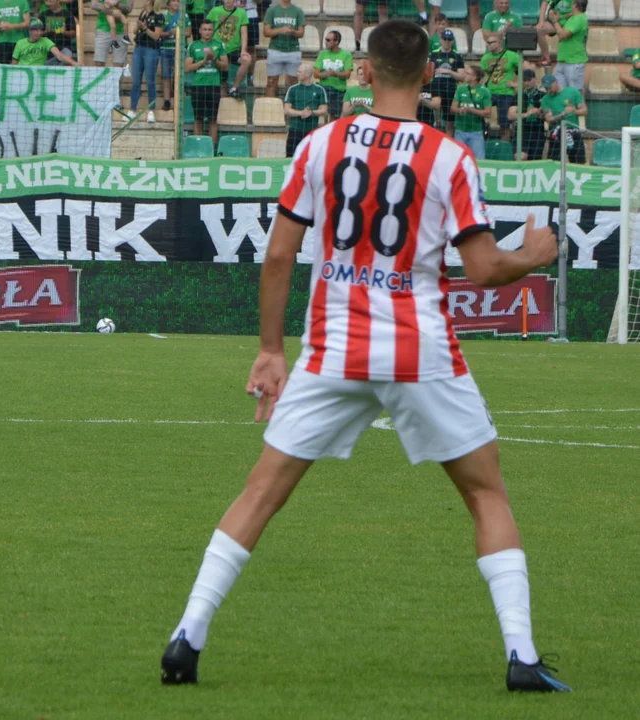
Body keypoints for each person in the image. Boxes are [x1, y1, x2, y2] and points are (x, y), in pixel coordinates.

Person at [159, 19, 570, 695]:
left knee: (260, 492)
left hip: (335, 350)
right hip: (420, 352)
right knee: (486, 493)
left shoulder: (321, 144)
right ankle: (521, 654)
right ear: (431, 72)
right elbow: (486, 266)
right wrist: (536, 254)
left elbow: (281, 255)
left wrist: (269, 350)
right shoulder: (449, 158)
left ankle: (188, 636)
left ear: (366, 71)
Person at [186, 20, 227, 146]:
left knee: (212, 119)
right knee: (198, 119)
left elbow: (225, 66)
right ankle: (198, 147)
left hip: (213, 86)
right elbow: (187, 68)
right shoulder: (193, 46)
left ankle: (211, 148)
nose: (207, 32)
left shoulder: (219, 45)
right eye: (205, 29)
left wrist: (214, 60)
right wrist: (204, 61)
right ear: (200, 31)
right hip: (197, 86)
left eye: (210, 29)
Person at [480, 33, 520, 144]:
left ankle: (505, 146)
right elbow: (483, 76)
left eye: (492, 42)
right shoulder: (485, 58)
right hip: (490, 92)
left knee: (504, 123)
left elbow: (527, 68)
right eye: (487, 43)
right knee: (478, 112)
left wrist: (516, 84)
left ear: (498, 42)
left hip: (506, 93)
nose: (489, 45)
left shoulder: (511, 55)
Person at [206, 0, 250, 98]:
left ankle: (234, 87)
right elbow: (207, 28)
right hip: (219, 49)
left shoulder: (241, 12)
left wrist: (243, 50)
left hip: (234, 49)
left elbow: (244, 33)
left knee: (246, 60)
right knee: (222, 83)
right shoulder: (215, 11)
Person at [262, 0, 303, 98]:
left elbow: (301, 33)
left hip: (293, 50)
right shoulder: (271, 10)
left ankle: (294, 109)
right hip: (275, 50)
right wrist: (280, 30)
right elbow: (266, 32)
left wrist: (292, 31)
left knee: (294, 83)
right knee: (271, 82)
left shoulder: (298, 11)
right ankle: (270, 108)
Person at [282, 62, 326, 157]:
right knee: (290, 158)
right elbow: (286, 110)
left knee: (311, 158)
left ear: (308, 74)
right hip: (295, 130)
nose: (297, 74)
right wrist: (301, 113)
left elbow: (324, 110)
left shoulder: (319, 90)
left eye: (300, 72)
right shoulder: (292, 89)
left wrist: (312, 112)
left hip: (312, 131)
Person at [130, 4, 164, 122]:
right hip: (139, 47)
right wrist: (138, 26)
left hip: (151, 49)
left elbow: (156, 36)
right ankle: (132, 109)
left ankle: (151, 110)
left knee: (150, 81)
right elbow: (134, 31)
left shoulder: (159, 16)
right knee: (135, 81)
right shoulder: (143, 13)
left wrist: (144, 28)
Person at [542, 73, 586, 164]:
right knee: (554, 162)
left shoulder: (572, 92)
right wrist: (563, 114)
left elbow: (584, 110)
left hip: (573, 130)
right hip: (556, 131)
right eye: (546, 89)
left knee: (578, 161)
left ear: (555, 83)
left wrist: (574, 111)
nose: (548, 91)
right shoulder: (545, 99)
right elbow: (549, 119)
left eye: (550, 87)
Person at [429, 28, 465, 136]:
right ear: (441, 40)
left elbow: (462, 77)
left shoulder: (457, 55)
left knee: (450, 121)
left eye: (449, 40)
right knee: (436, 119)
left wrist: (448, 71)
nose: (447, 42)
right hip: (436, 87)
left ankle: (449, 143)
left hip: (450, 89)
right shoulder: (434, 54)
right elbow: (428, 72)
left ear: (452, 41)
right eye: (445, 39)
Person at [451, 65, 491, 158]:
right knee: (457, 159)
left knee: (479, 161)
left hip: (476, 132)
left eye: (467, 73)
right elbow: (452, 108)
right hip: (460, 131)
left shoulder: (484, 91)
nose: (464, 75)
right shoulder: (460, 89)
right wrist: (459, 110)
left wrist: (470, 110)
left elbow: (488, 113)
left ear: (474, 77)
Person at [313, 29, 351, 120]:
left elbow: (347, 74)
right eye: (326, 39)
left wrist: (335, 73)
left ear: (336, 42)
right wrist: (328, 73)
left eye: (328, 40)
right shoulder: (322, 54)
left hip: (338, 90)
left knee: (334, 116)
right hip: (323, 88)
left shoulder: (346, 54)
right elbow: (316, 74)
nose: (325, 42)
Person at [549, 0, 586, 92]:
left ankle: (581, 107)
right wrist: (559, 17)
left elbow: (563, 35)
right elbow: (568, 15)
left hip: (573, 61)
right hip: (563, 59)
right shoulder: (575, 18)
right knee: (560, 92)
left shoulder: (578, 19)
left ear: (575, 5)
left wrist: (555, 21)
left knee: (575, 93)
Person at [508, 69, 545, 159]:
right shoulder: (519, 96)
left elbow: (547, 115)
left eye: (528, 80)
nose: (526, 83)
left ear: (535, 80)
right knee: (520, 157)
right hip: (522, 131)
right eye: (524, 81)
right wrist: (526, 114)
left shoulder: (543, 96)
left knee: (535, 161)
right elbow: (510, 115)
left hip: (537, 131)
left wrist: (540, 114)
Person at [12, 19, 78, 66]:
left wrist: (74, 63)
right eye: (36, 30)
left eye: (41, 30)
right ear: (30, 31)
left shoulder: (45, 41)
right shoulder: (20, 43)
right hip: (23, 72)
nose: (39, 33)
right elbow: (14, 63)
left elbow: (59, 55)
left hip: (39, 72)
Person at [159, 0, 185, 112]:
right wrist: (170, 33)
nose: (176, 4)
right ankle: (166, 100)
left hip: (179, 49)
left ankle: (179, 99)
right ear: (168, 3)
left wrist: (179, 32)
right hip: (166, 48)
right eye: (174, 1)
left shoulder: (184, 15)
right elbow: (159, 33)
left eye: (178, 1)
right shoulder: (163, 16)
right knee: (166, 76)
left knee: (179, 75)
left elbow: (188, 32)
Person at [89, 0, 129, 70]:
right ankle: (100, 80)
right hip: (103, 29)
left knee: (119, 65)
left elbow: (129, 8)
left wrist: (116, 4)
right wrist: (112, 12)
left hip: (120, 31)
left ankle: (126, 37)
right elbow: (94, 5)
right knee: (99, 62)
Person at [0, 0, 31, 64]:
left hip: (19, 41)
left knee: (19, 67)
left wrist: (11, 26)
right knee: (2, 68)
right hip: (2, 41)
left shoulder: (23, 2)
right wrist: (1, 26)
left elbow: (27, 23)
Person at [39, 0, 76, 65]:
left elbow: (73, 33)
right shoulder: (43, 14)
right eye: (47, 1)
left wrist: (65, 32)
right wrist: (46, 31)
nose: (48, 3)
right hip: (47, 48)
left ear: (58, 1)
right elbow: (37, 34)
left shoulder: (68, 14)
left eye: (50, 1)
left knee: (67, 59)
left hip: (64, 47)